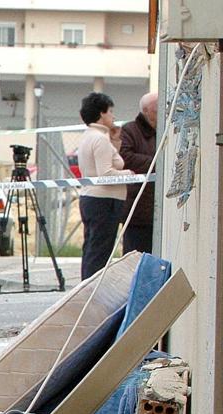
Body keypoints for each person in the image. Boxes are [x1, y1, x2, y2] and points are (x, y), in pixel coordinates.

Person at [77, 92, 133, 280]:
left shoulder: (90, 136)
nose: (113, 116)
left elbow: (107, 161)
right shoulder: (100, 139)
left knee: (92, 248)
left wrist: (115, 140)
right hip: (104, 201)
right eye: (110, 112)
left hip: (91, 198)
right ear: (101, 114)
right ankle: (92, 290)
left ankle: (87, 286)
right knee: (100, 251)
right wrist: (129, 175)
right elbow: (106, 173)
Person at [119, 92, 157, 254]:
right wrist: (157, 163)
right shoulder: (129, 130)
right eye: (158, 109)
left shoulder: (163, 131)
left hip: (156, 208)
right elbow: (125, 157)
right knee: (135, 255)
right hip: (137, 209)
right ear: (146, 111)